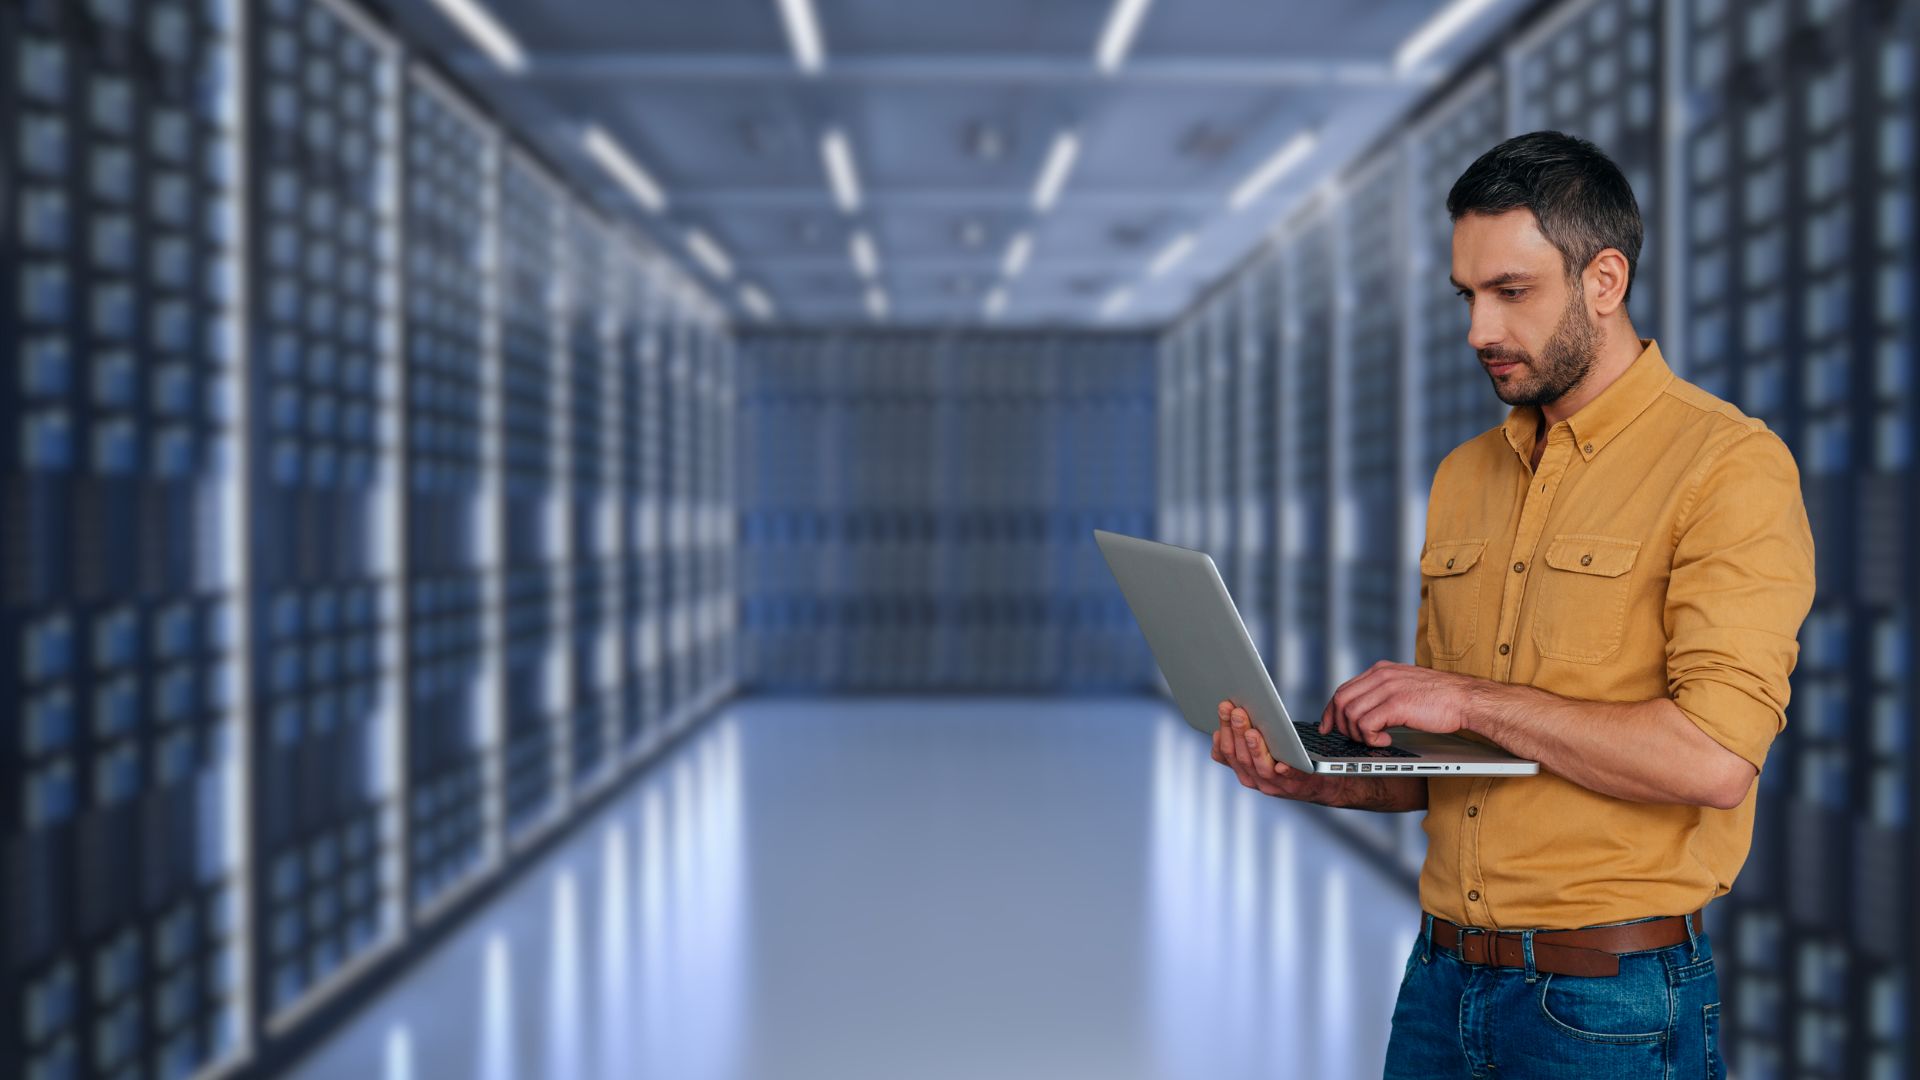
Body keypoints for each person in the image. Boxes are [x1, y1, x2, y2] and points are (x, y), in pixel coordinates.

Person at [1211, 130, 1815, 1078]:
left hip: (1604, 1005)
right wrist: (1314, 774)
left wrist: (1468, 699)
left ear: (1604, 281)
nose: (1478, 330)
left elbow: (1714, 758)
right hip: (1439, 983)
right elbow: (1448, 769)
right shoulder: (1466, 476)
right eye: (1468, 295)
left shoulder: (1727, 466)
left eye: (1512, 292)